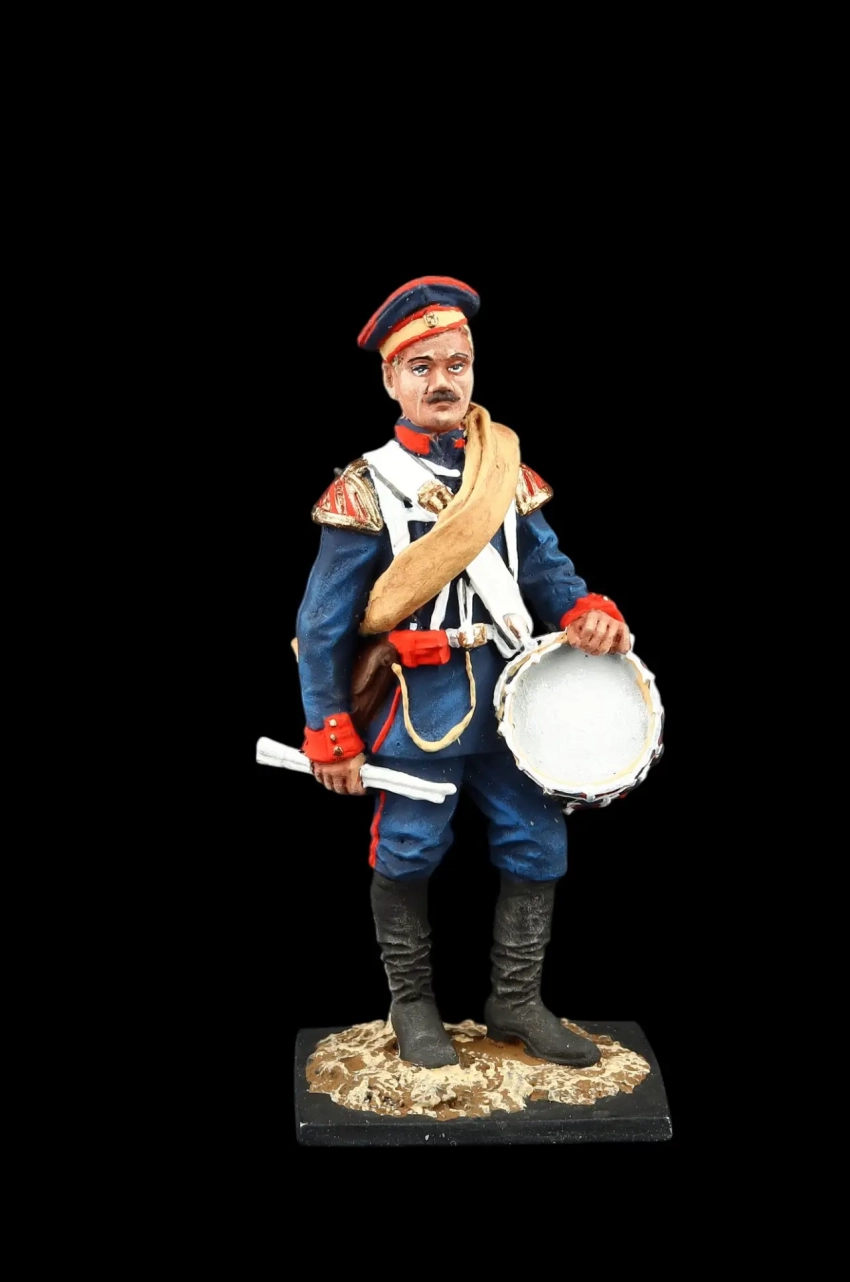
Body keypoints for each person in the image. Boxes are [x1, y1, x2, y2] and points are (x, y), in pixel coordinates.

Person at [295, 277, 631, 1070]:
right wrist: (328, 725)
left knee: (537, 843)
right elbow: (322, 623)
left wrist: (587, 611)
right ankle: (412, 1004)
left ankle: (516, 998)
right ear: (392, 379)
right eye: (422, 367)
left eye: (457, 364)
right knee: (409, 848)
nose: (442, 381)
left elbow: (546, 570)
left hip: (516, 708)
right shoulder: (367, 487)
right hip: (419, 708)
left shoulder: (504, 470)